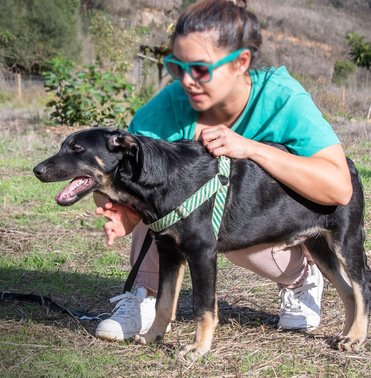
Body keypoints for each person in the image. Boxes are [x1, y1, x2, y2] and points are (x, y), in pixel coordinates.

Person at [93, 0, 353, 341]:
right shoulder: (166, 108)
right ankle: (148, 295)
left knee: (228, 217)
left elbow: (338, 188)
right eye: (177, 67)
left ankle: (299, 277)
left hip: (268, 216)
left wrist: (251, 149)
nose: (186, 81)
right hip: (195, 218)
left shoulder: (282, 98)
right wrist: (125, 212)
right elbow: (125, 175)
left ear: (241, 62)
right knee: (155, 186)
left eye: (200, 69)